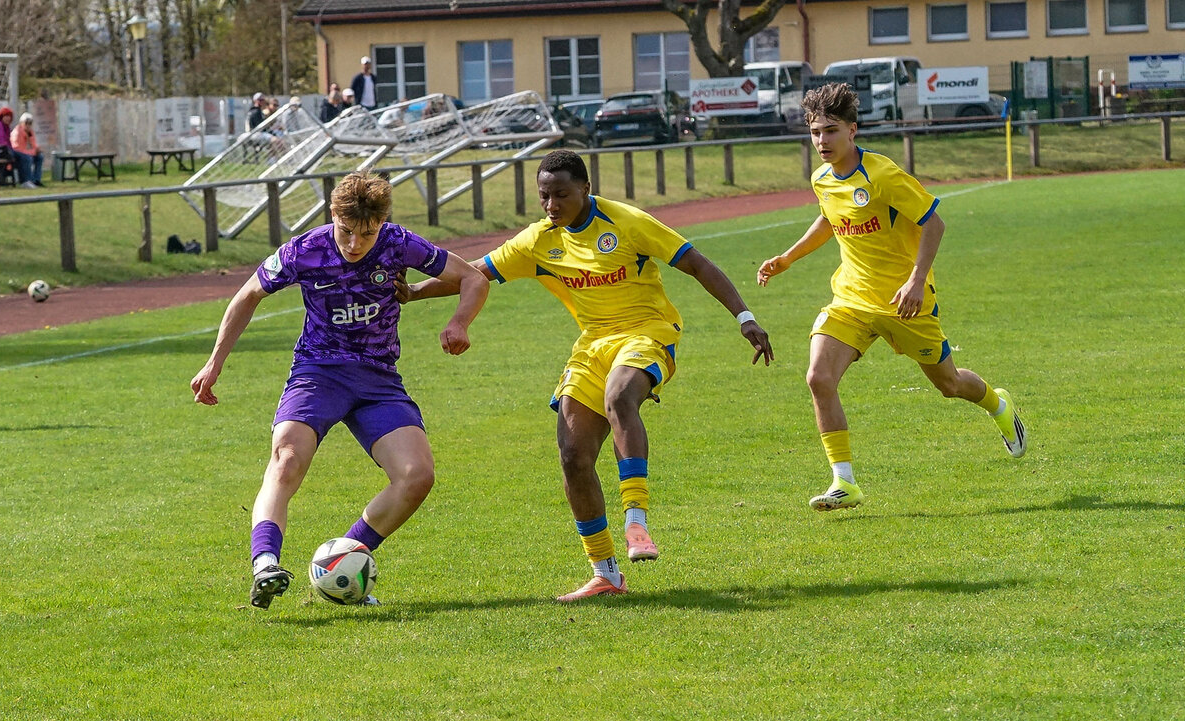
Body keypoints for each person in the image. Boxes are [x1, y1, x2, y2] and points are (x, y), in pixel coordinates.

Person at [400, 150, 774, 602]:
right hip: (593, 344)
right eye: (544, 196)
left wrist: (745, 318)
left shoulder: (626, 222)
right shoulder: (538, 241)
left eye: (561, 194)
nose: (551, 205)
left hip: (648, 332)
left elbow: (697, 264)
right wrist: (414, 291)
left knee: (619, 396)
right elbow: (474, 273)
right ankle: (606, 574)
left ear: (586, 189)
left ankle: (636, 520)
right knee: (573, 456)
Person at [190, 171, 489, 609]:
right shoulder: (304, 250)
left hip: (378, 379)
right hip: (318, 373)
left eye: (367, 234)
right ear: (333, 215)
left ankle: (341, 561)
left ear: (382, 222)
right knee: (286, 459)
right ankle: (265, 565)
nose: (355, 244)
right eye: (347, 231)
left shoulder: (399, 243)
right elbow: (248, 294)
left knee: (417, 476)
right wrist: (214, 362)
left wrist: (459, 322)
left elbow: (473, 278)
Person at [756, 82, 1026, 513]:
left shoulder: (881, 175)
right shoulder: (821, 178)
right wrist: (788, 258)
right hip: (851, 299)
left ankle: (999, 404)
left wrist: (916, 281)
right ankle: (844, 482)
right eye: (815, 132)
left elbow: (934, 223)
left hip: (905, 302)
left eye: (831, 131)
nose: (822, 141)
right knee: (818, 378)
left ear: (852, 130)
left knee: (950, 384)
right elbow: (830, 219)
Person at [10, 112, 44, 188]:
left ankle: (36, 180)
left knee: (40, 156)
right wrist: (33, 152)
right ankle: (27, 180)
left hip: (26, 153)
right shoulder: (17, 132)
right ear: (21, 123)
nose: (28, 125)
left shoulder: (30, 132)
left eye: (30, 123)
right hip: (17, 154)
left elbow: (33, 145)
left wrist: (37, 150)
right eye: (26, 123)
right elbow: (18, 149)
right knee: (27, 158)